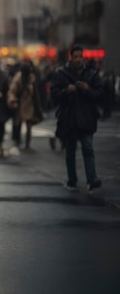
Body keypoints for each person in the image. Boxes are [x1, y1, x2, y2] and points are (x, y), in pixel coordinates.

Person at [50, 44, 104, 192]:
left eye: (80, 56)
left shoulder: (92, 73)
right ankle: (72, 180)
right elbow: (54, 95)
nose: (78, 59)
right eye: (75, 57)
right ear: (70, 57)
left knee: (88, 149)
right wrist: (67, 91)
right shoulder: (60, 73)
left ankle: (92, 180)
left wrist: (87, 90)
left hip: (87, 118)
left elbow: (100, 95)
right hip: (69, 118)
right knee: (70, 151)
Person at [7, 58, 44, 152]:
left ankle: (27, 144)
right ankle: (17, 141)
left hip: (30, 104)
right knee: (18, 123)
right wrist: (12, 100)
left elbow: (36, 91)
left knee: (29, 125)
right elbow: (12, 90)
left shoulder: (32, 78)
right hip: (20, 104)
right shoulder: (19, 77)